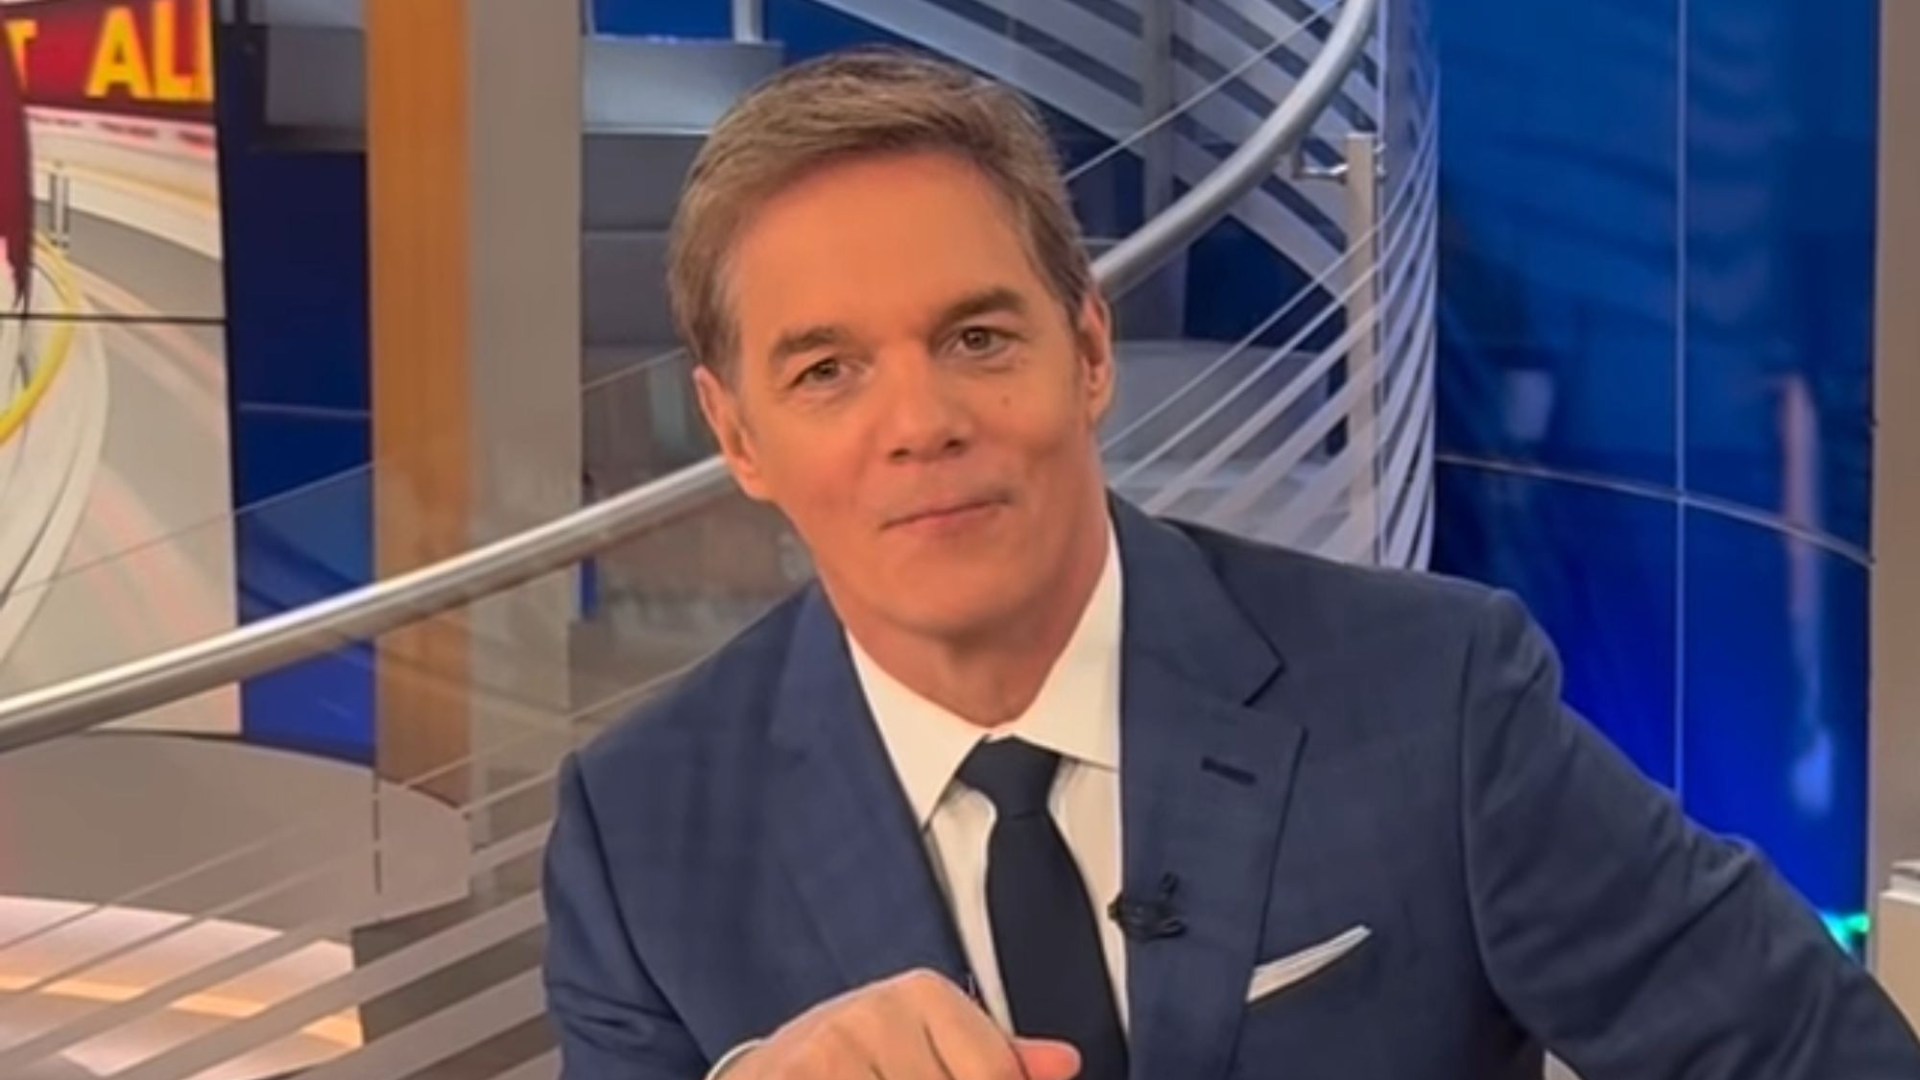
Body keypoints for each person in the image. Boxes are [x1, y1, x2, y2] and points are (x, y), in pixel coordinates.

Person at [540, 47, 1920, 1079]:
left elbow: (1819, 1055)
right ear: (738, 436)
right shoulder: (641, 833)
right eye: (827, 372)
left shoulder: (1435, 700)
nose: (922, 423)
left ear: (1089, 353)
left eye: (977, 338)